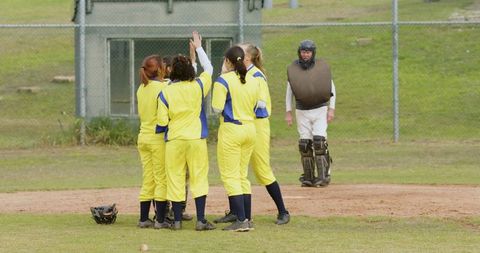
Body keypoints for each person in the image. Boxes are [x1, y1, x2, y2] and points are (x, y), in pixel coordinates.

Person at [214, 43, 290, 226]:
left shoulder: (255, 76)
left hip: (255, 124)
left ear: (247, 58)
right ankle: (236, 212)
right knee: (237, 169)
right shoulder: (240, 75)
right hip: (246, 124)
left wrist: (241, 110)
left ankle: (283, 211)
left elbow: (261, 104)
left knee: (261, 170)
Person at [157, 31, 215, 231]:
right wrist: (198, 48)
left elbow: (162, 121)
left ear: (172, 72)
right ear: (190, 71)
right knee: (199, 177)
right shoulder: (198, 86)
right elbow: (209, 68)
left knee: (175, 177)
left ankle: (178, 221)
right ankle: (200, 220)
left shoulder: (166, 91)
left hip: (174, 140)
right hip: (196, 138)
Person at [212, 45, 268, 232]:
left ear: (227, 61)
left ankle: (241, 220)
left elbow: (217, 108)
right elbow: (259, 103)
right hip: (250, 128)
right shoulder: (253, 79)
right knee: (242, 175)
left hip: (231, 129)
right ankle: (247, 218)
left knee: (230, 175)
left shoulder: (223, 80)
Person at [285, 39, 336, 187]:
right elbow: (289, 92)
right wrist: (288, 112)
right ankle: (308, 176)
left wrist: (331, 109)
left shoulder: (321, 69)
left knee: (319, 142)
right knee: (304, 144)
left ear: (313, 53)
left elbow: (331, 88)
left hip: (320, 109)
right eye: (303, 52)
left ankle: (323, 176)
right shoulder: (294, 70)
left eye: (308, 52)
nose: (305, 54)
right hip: (302, 110)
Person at [136, 54, 171, 229]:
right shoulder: (163, 87)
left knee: (148, 178)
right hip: (157, 138)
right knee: (160, 178)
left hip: (143, 136)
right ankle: (160, 220)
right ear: (158, 69)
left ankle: (143, 218)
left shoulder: (142, 87)